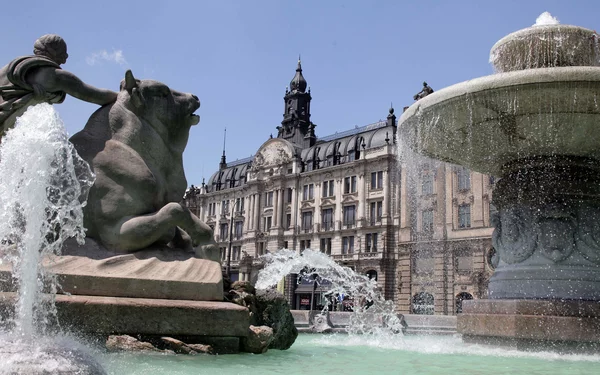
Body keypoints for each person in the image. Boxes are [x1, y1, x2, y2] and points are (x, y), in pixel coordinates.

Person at [0, 34, 118, 136]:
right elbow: (94, 95)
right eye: (63, 54)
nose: (64, 60)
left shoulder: (8, 69)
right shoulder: (54, 75)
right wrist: (124, 94)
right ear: (56, 53)